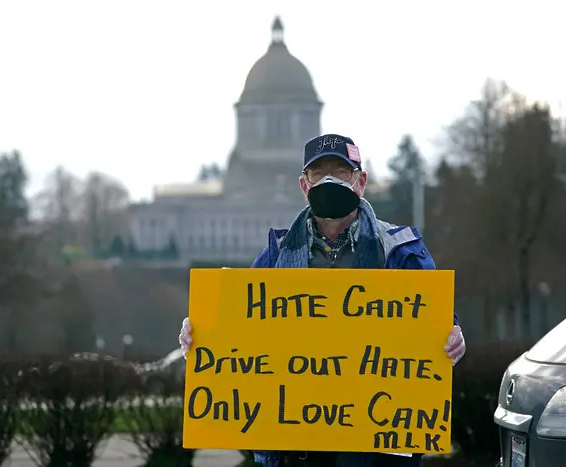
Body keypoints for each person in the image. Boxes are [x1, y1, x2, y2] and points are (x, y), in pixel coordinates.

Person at [178, 133, 466, 467]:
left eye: (341, 171)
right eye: (319, 172)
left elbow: (437, 321)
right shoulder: (275, 255)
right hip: (295, 445)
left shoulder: (400, 250)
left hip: (372, 445)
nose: (330, 180)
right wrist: (199, 334)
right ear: (304, 185)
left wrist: (453, 338)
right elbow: (237, 325)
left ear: (361, 181)